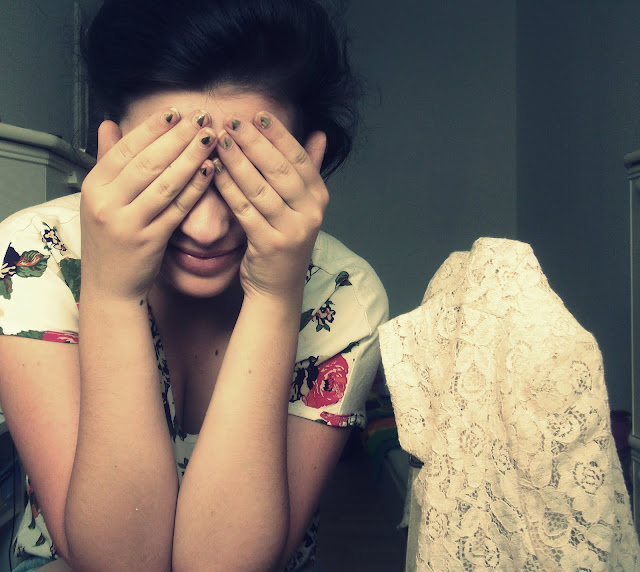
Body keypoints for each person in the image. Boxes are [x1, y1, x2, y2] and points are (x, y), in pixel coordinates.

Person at [0, 0, 388, 570]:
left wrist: (275, 297)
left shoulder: (343, 294)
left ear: (305, 161)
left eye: (250, 179)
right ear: (112, 152)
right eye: (170, 172)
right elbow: (118, 562)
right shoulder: (34, 257)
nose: (206, 230)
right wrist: (110, 292)